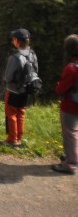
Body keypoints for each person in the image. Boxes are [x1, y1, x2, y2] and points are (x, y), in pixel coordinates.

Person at [2, 28, 38, 147]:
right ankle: (19, 138)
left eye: (14, 38)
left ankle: (12, 139)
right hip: (27, 89)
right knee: (21, 113)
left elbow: (8, 76)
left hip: (13, 90)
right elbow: (36, 70)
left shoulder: (15, 57)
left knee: (11, 113)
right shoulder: (32, 54)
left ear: (17, 41)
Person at [51, 34, 78, 175]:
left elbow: (61, 89)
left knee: (70, 133)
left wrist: (58, 86)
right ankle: (72, 156)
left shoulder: (71, 68)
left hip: (70, 105)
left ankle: (70, 164)